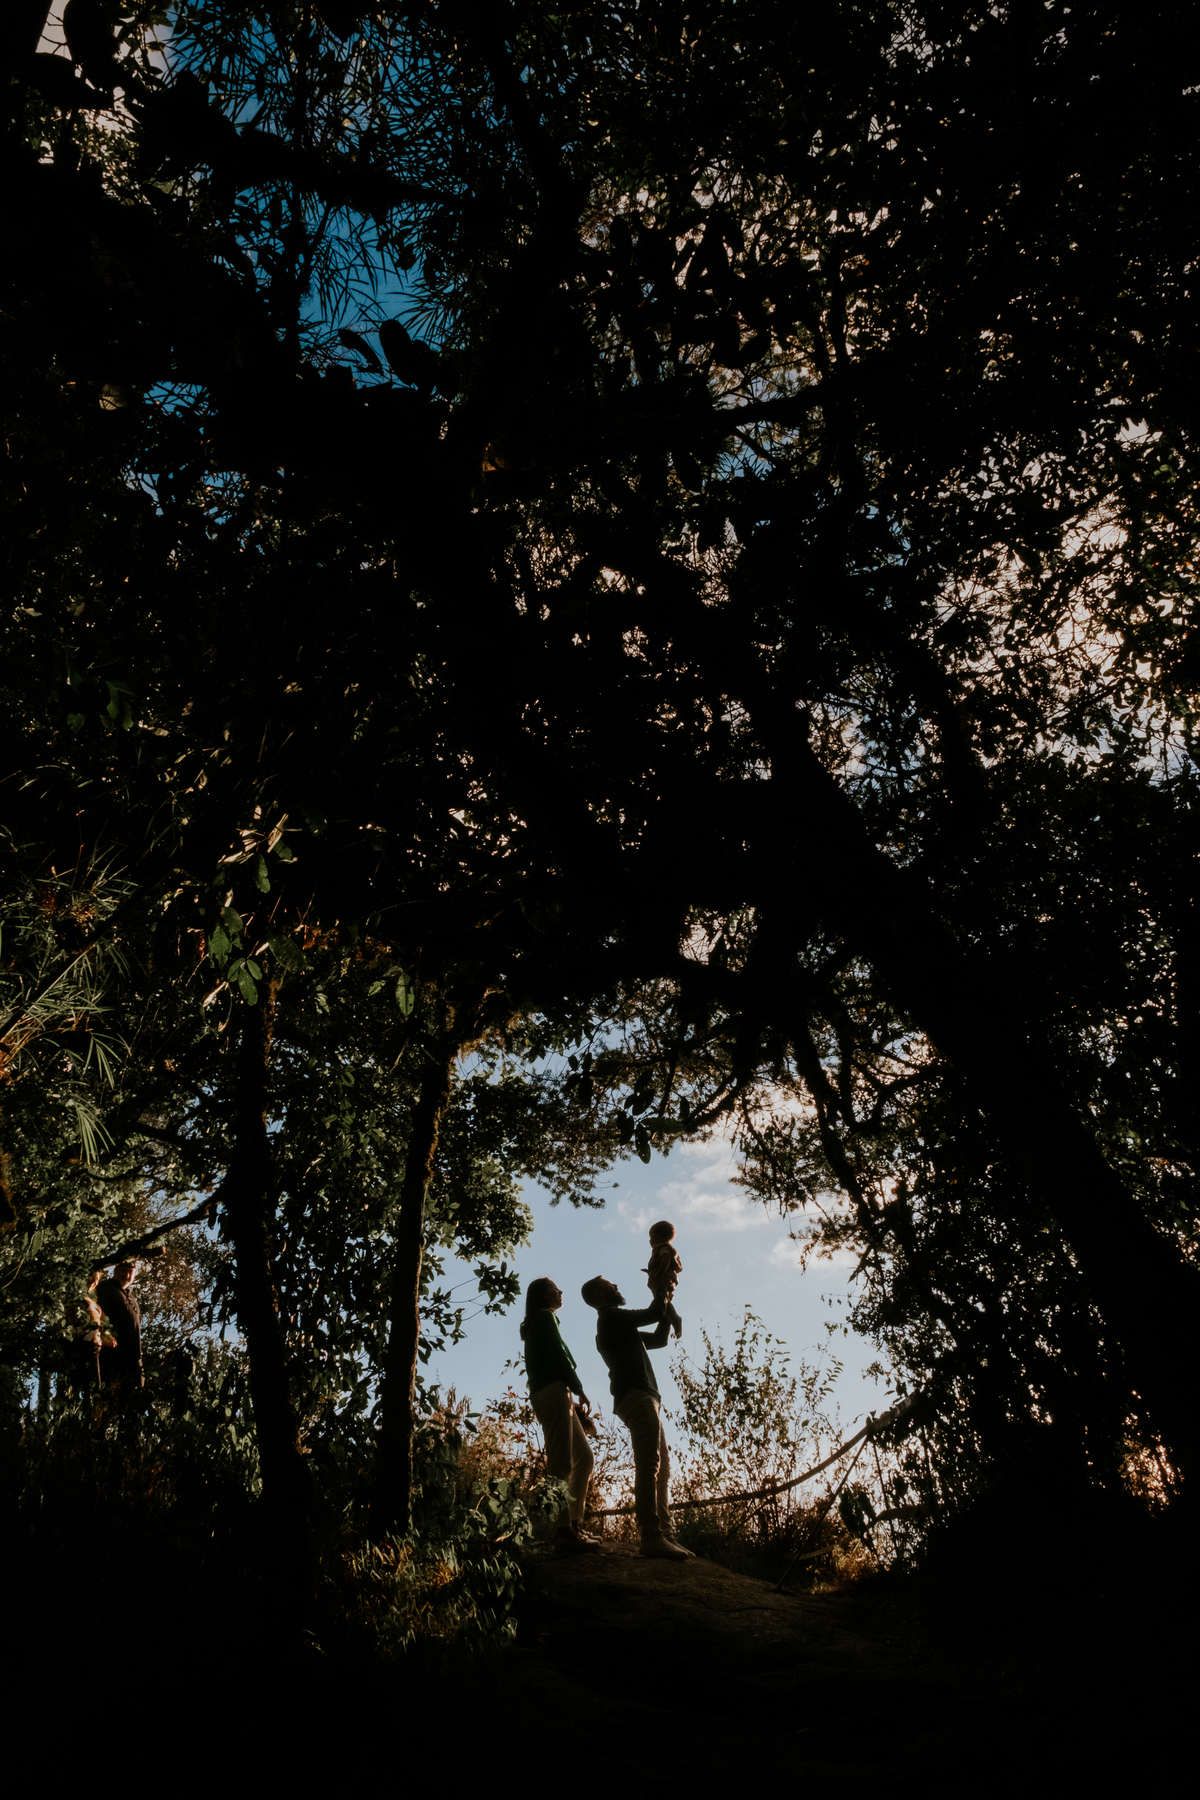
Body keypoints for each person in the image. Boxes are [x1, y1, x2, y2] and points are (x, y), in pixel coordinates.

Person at [581, 1275, 695, 1562]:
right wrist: (662, 1288)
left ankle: (664, 1534)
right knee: (649, 1464)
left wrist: (669, 1311)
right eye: (610, 1285)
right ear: (598, 1295)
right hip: (636, 1395)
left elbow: (658, 1339)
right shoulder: (611, 1319)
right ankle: (651, 1535)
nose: (617, 1287)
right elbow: (654, 1312)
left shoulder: (619, 1326)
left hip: (646, 1397)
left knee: (662, 1468)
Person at [521, 1276, 603, 1555]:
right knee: (560, 1463)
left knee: (584, 1457)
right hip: (553, 1392)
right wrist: (579, 1388)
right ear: (544, 1296)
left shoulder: (543, 1319)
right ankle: (562, 1530)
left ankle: (574, 1523)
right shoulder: (544, 1317)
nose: (561, 1292)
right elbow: (557, 1355)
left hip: (559, 1393)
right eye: (555, 1289)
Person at [95, 1258, 144, 1394]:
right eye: (124, 1270)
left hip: (133, 1363)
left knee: (133, 1403)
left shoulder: (131, 1297)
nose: (127, 1275)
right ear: (115, 1270)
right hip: (113, 1360)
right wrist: (105, 1335)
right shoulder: (106, 1288)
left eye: (130, 1272)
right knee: (111, 1400)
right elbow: (98, 1314)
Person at [643, 1219, 683, 1338]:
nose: (650, 1240)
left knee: (661, 1299)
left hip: (663, 1279)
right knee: (664, 1299)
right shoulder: (664, 1247)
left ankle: (675, 1318)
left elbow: (666, 1259)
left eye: (651, 1237)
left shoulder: (663, 1248)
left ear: (658, 1237)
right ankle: (668, 1317)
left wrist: (659, 1273)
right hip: (667, 1278)